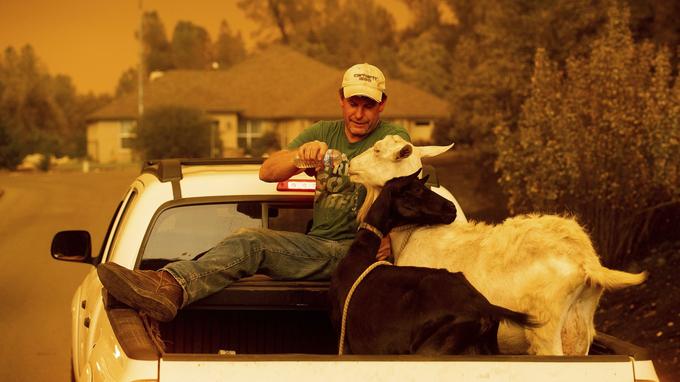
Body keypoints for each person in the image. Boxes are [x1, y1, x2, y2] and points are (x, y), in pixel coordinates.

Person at [97, 63, 411, 322]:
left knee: (253, 242)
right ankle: (163, 283)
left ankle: (168, 286)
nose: (359, 114)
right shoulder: (322, 132)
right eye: (353, 104)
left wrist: (389, 236)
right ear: (341, 100)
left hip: (357, 251)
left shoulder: (395, 139)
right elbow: (267, 171)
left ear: (382, 104)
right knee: (250, 242)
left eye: (368, 106)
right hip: (318, 247)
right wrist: (300, 156)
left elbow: (409, 193)